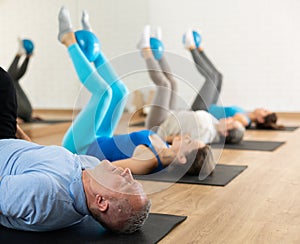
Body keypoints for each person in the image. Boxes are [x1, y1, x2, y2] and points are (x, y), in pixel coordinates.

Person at [0, 12, 151, 235]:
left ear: (101, 202)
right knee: (4, 83)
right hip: (10, 142)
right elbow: (39, 157)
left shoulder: (46, 194)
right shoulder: (91, 168)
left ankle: (68, 40)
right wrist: (16, 130)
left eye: (127, 184)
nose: (128, 172)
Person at [59, 8, 215, 177]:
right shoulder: (167, 147)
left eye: (189, 142)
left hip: (79, 148)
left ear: (183, 158)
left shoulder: (148, 161)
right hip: (100, 137)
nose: (186, 136)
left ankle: (68, 39)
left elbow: (100, 171)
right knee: (120, 92)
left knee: (103, 93)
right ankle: (94, 50)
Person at [137, 25, 245, 145]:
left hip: (159, 125)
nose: (230, 118)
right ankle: (158, 54)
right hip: (171, 114)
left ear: (225, 133)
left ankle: (145, 49)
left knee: (164, 85)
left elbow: (181, 142)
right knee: (173, 83)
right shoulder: (214, 124)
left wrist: (157, 138)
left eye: (231, 122)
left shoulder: (206, 135)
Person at [183, 29, 282, 130]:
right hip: (208, 107)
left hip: (202, 112)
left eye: (265, 111)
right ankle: (200, 50)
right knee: (218, 76)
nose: (263, 108)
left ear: (261, 119)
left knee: (211, 77)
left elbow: (223, 125)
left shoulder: (244, 120)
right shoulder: (245, 115)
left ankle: (191, 48)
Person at [8, 38, 35, 122]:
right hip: (26, 111)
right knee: (11, 79)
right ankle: (25, 57)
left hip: (23, 112)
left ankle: (21, 56)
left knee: (11, 79)